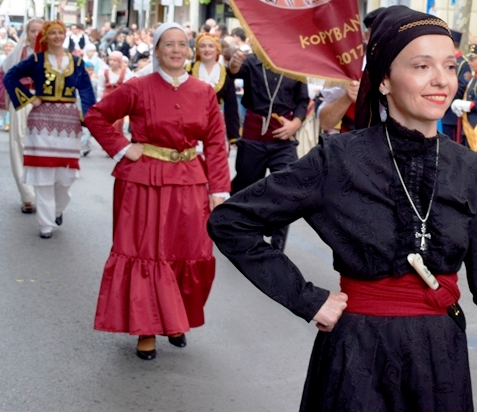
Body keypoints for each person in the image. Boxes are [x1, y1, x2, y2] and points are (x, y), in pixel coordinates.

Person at [208, 6, 477, 411]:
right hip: (356, 362)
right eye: (422, 66)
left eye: (449, 66)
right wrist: (307, 299)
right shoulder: (340, 159)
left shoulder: (474, 172)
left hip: (440, 366)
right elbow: (232, 221)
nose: (441, 80)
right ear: (385, 80)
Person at [84, 23, 231, 361]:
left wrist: (219, 189)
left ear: (189, 50)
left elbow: (215, 143)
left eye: (182, 44)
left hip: (190, 181)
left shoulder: (204, 91)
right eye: (169, 44)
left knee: (189, 251)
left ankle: (174, 319)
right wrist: (124, 147)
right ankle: (147, 328)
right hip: (143, 182)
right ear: (157, 50)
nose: (176, 50)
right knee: (147, 254)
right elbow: (96, 116)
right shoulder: (138, 87)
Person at [4, 20, 97, 238]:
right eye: (52, 33)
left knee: (67, 176)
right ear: (46, 37)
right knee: (43, 173)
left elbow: (86, 90)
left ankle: (56, 210)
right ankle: (45, 224)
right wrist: (29, 98)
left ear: (65, 36)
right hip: (41, 121)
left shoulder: (76, 62)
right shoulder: (36, 60)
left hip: (69, 122)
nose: (57, 36)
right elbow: (10, 76)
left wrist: (88, 117)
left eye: (60, 33)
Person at [228, 46, 310, 252]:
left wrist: (295, 123)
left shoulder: (296, 65)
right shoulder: (252, 60)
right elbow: (234, 72)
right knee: (246, 188)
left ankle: (277, 247)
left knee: (287, 188)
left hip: (283, 137)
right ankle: (245, 236)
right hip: (253, 137)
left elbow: (302, 100)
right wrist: (234, 63)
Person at [1, 18, 44, 213]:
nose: (36, 34)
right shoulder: (19, 53)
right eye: (32, 30)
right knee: (19, 145)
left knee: (44, 147)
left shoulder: (52, 53)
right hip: (22, 100)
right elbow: (5, 74)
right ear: (27, 32)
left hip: (45, 102)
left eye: (39, 30)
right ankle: (27, 196)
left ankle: (44, 194)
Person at [189, 33, 241, 143]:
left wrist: (233, 136)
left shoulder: (225, 72)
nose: (207, 50)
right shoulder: (188, 69)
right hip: (191, 123)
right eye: (203, 46)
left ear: (217, 50)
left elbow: (231, 107)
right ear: (197, 49)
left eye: (211, 46)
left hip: (216, 122)